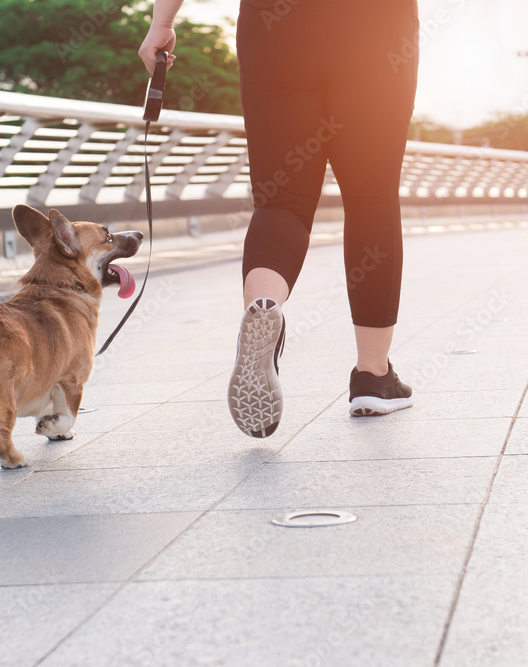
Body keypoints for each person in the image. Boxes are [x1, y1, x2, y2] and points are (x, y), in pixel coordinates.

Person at [138, 0, 419, 437]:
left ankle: (262, 305)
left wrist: (162, 22)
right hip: (376, 28)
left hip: (276, 31)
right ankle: (373, 376)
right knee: (371, 198)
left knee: (281, 201)